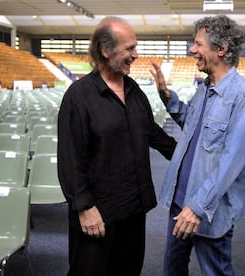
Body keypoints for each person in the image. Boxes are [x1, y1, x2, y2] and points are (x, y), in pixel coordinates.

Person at [57, 16, 176, 276]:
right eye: (129, 48)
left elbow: (153, 134)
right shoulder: (79, 97)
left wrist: (189, 155)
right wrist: (85, 208)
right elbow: (70, 160)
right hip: (97, 215)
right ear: (105, 50)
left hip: (134, 209)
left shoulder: (134, 91)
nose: (136, 54)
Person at [149, 15, 245, 276]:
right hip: (180, 202)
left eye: (198, 44)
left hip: (207, 209)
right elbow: (191, 122)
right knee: (172, 269)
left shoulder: (243, 96)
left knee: (216, 271)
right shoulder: (206, 87)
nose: (192, 49)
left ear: (220, 49)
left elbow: (231, 162)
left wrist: (197, 207)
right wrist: (167, 97)